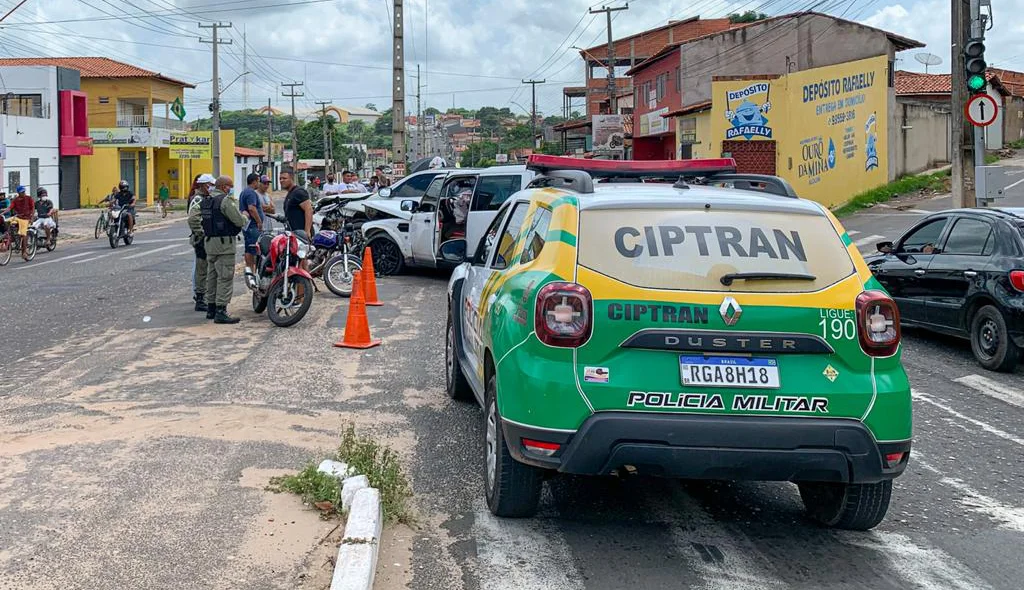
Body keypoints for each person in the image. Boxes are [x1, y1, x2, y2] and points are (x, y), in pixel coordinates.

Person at [200, 175, 246, 324]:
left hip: (210, 243)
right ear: (224, 187)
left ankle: (211, 308)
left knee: (212, 277)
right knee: (225, 277)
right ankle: (221, 310)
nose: (231, 189)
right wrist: (245, 217)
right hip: (224, 244)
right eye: (230, 186)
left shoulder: (206, 200)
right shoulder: (225, 201)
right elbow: (238, 220)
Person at [187, 174, 215, 312]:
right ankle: (200, 298)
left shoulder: (205, 199)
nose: (212, 187)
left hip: (205, 239)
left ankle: (204, 297)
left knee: (207, 269)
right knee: (202, 270)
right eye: (211, 184)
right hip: (201, 240)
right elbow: (193, 219)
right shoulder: (198, 199)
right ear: (205, 185)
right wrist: (202, 233)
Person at [239, 172, 265, 272]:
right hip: (253, 225)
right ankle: (252, 269)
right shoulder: (251, 193)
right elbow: (252, 208)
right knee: (253, 248)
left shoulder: (244, 192)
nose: (259, 184)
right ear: (254, 181)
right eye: (258, 181)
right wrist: (259, 222)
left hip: (247, 225)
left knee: (249, 247)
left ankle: (250, 268)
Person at [281, 170, 312, 237]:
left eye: (284, 178)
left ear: (291, 178)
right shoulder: (290, 193)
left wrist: (307, 231)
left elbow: (309, 210)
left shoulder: (299, 192)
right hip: (293, 234)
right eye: (280, 179)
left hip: (301, 235)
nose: (281, 180)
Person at [10, 186, 34, 262]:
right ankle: (10, 238)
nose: (23, 193)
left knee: (24, 234)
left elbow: (33, 208)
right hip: (18, 217)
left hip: (26, 218)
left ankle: (24, 252)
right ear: (18, 193)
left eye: (24, 191)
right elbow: (10, 207)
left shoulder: (29, 198)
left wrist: (32, 218)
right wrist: (3, 212)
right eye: (22, 192)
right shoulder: (15, 200)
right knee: (9, 222)